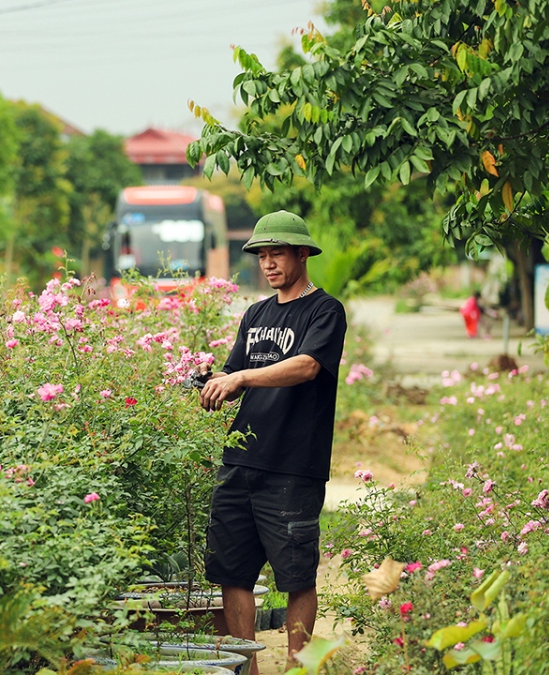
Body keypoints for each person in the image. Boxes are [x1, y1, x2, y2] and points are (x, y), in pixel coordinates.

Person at [197, 211, 348, 674]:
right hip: (241, 459)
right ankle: (247, 669)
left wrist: (242, 375)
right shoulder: (256, 314)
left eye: (277, 253)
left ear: (302, 253)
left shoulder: (325, 310)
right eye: (262, 255)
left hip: (292, 464)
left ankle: (299, 667)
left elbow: (306, 366)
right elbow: (235, 371)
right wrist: (214, 379)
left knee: (296, 575)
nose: (268, 264)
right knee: (230, 570)